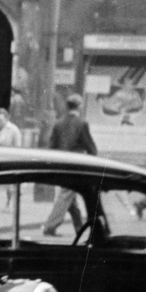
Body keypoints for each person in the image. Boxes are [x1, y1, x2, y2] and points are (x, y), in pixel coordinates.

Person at [42, 94, 98, 237]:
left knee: (70, 197)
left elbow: (51, 146)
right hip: (75, 164)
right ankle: (50, 226)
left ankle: (79, 228)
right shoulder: (82, 123)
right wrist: (94, 161)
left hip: (60, 163)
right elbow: (90, 147)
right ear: (79, 106)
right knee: (67, 195)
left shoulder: (58, 123)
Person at [0, 107, 23, 210]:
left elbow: (18, 147)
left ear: (7, 119)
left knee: (10, 186)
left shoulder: (14, 130)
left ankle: (8, 204)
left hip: (10, 160)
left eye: (1, 120)